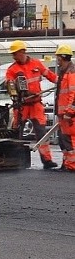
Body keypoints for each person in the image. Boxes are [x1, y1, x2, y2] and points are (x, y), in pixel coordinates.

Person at [5, 40, 58, 169]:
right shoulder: (12, 69)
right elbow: (10, 86)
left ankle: (47, 160)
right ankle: (15, 159)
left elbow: (50, 75)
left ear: (22, 52)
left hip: (35, 104)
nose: (13, 56)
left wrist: (61, 82)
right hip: (22, 105)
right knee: (17, 132)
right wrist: (16, 94)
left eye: (15, 53)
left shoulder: (36, 64)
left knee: (41, 133)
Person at [53, 44, 74, 172]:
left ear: (64, 57)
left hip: (69, 115)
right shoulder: (64, 73)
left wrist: (69, 112)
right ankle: (67, 164)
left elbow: (74, 94)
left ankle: (72, 165)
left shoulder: (71, 73)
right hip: (63, 114)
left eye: (59, 57)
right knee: (63, 140)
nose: (57, 60)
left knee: (70, 140)